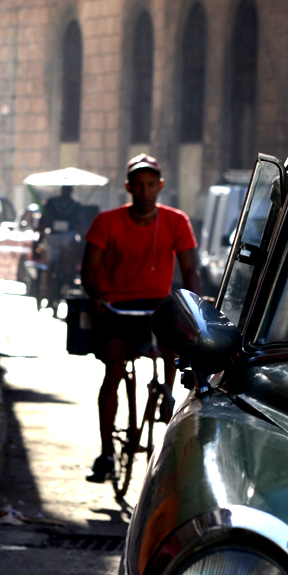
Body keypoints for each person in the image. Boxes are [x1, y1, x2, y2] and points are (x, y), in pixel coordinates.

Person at [81, 154, 199, 484]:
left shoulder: (176, 221)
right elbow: (89, 271)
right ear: (128, 187)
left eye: (151, 184)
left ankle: (166, 394)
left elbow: (191, 270)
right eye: (139, 185)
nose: (145, 191)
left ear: (160, 186)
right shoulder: (107, 222)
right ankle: (106, 453)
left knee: (173, 352)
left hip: (156, 306)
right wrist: (97, 296)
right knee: (114, 370)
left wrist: (193, 303)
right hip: (117, 306)